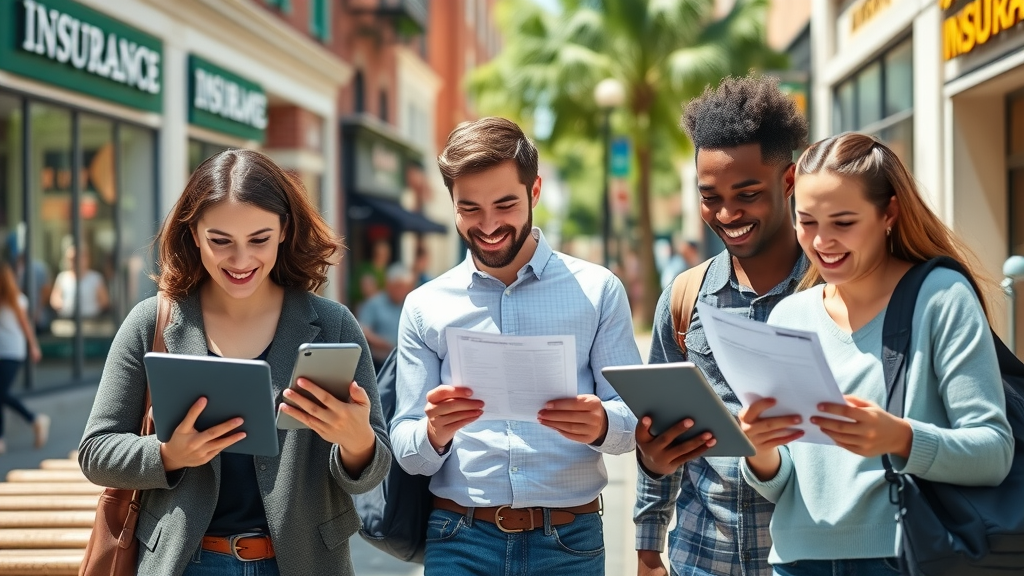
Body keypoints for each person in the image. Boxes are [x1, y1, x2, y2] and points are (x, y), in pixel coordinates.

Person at [77, 149, 392, 576]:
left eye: (259, 239)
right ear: (193, 234)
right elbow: (96, 452)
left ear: (284, 230)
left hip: (304, 563)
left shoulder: (333, 324)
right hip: (185, 563)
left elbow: (372, 474)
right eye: (220, 241)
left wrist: (358, 443)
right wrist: (168, 454)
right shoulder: (152, 321)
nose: (241, 261)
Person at [737, 133, 1013, 576]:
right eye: (806, 222)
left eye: (843, 222)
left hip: (906, 556)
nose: (821, 241)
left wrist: (900, 438)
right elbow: (783, 480)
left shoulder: (940, 297)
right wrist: (758, 451)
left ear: (889, 213)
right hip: (795, 561)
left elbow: (994, 452)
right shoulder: (789, 315)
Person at [391, 117, 640, 576]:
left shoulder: (598, 291)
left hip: (568, 542)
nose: (488, 226)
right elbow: (405, 447)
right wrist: (434, 432)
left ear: (536, 191)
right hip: (459, 538)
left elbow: (636, 422)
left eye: (505, 204)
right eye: (469, 209)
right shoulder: (425, 305)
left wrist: (603, 422)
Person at [634, 74, 809, 576]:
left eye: (747, 193)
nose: (727, 212)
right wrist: (648, 551)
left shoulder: (830, 294)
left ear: (789, 181)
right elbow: (658, 430)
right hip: (701, 558)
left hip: (805, 559)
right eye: (710, 196)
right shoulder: (685, 300)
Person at [0, 259, 46, 454]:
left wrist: (34, 346)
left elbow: (26, 325)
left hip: (12, 352)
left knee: (0, 393)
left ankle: (34, 419)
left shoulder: (17, 299)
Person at [358, 262, 414, 370]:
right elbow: (363, 330)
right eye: (398, 287)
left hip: (405, 364)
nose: (402, 291)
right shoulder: (374, 303)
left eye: (405, 287)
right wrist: (383, 343)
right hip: (379, 363)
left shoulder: (410, 305)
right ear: (389, 285)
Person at [50, 244, 109, 319]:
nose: (74, 262)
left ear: (86, 259)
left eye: (76, 258)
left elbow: (105, 301)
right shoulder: (62, 277)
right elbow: (54, 299)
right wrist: (64, 306)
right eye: (71, 259)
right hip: (67, 320)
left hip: (92, 321)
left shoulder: (96, 278)